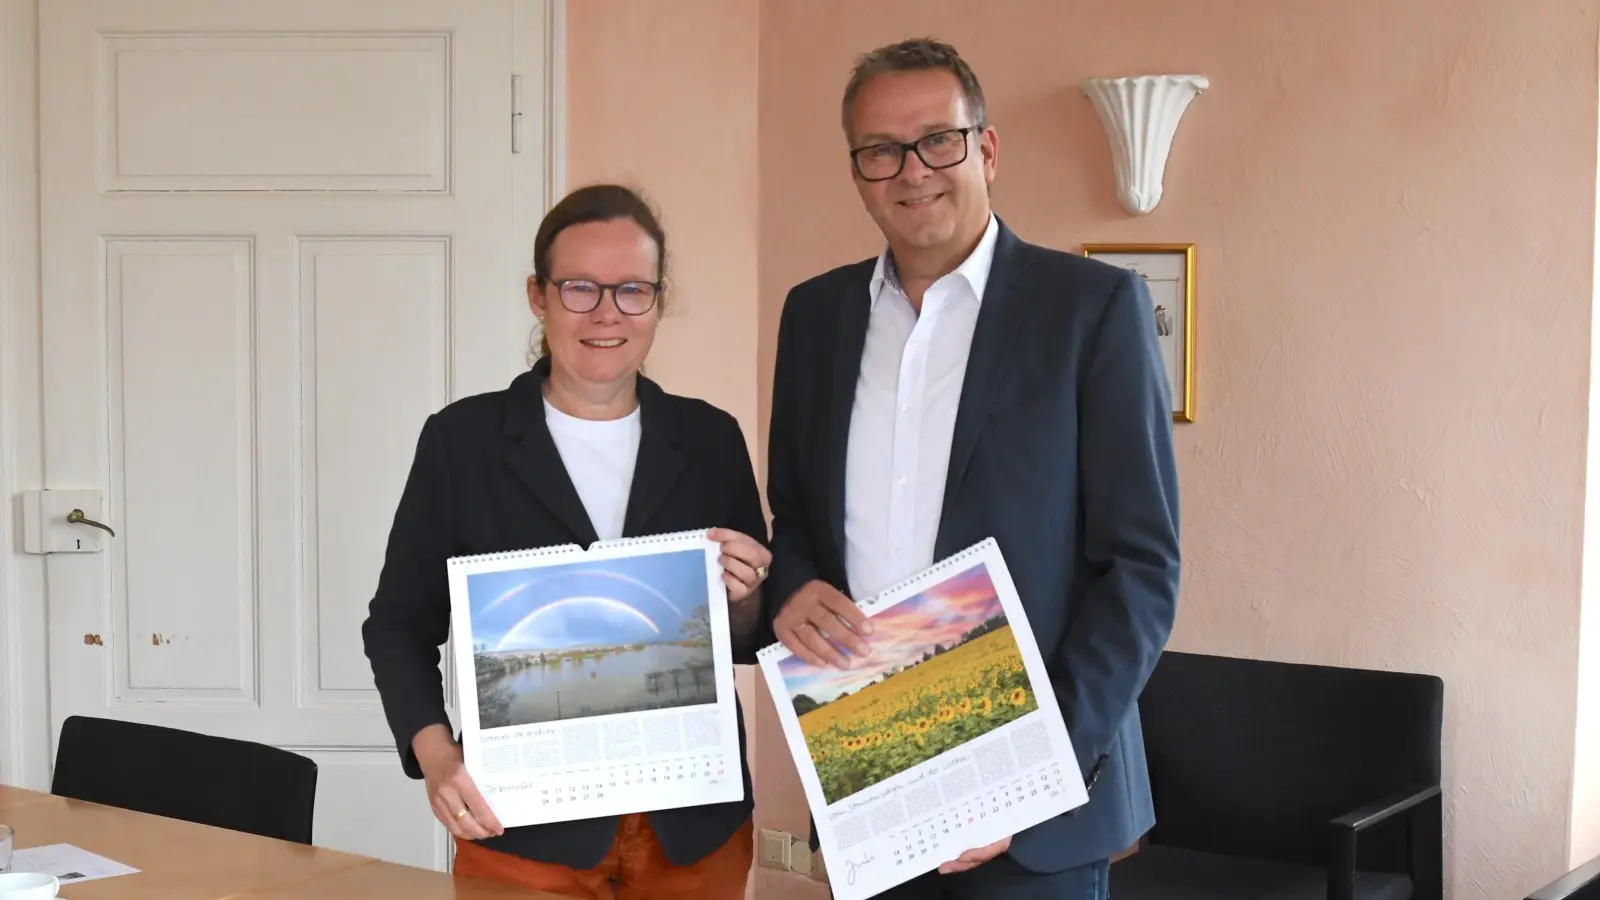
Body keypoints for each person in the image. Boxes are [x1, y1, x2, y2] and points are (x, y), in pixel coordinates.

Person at [764, 38, 1181, 900]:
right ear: (857, 172)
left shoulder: (1092, 309)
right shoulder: (814, 317)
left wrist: (1026, 774)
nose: (912, 170)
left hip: (1032, 821)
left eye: (938, 141)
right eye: (881, 150)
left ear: (986, 149)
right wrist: (791, 587)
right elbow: (797, 520)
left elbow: (1140, 568)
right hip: (870, 780)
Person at [361, 183, 772, 900]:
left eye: (632, 290)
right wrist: (436, 755)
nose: (607, 312)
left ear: (657, 300)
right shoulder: (463, 442)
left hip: (690, 822)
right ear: (538, 296)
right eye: (580, 288)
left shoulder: (710, 438)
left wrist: (747, 594)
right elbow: (397, 623)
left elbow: (742, 638)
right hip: (523, 826)